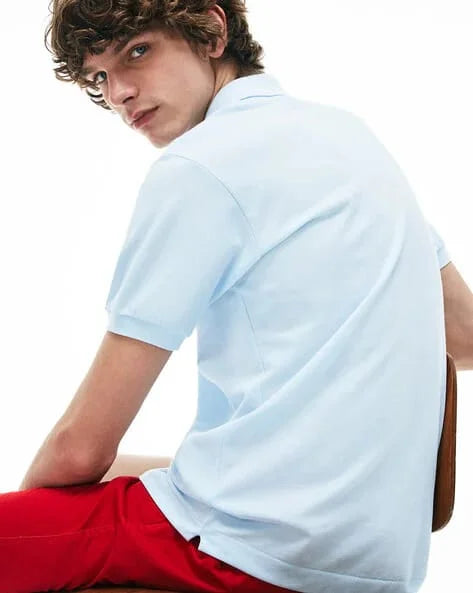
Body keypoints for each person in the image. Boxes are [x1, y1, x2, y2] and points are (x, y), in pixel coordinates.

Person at [1, 1, 472, 592]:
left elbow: (80, 449)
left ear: (213, 31)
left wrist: (32, 520)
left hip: (259, 556)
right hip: (379, 560)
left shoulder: (199, 167)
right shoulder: (349, 137)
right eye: (99, 76)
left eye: (137, 51)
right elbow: (464, 336)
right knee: (128, 476)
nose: (119, 92)